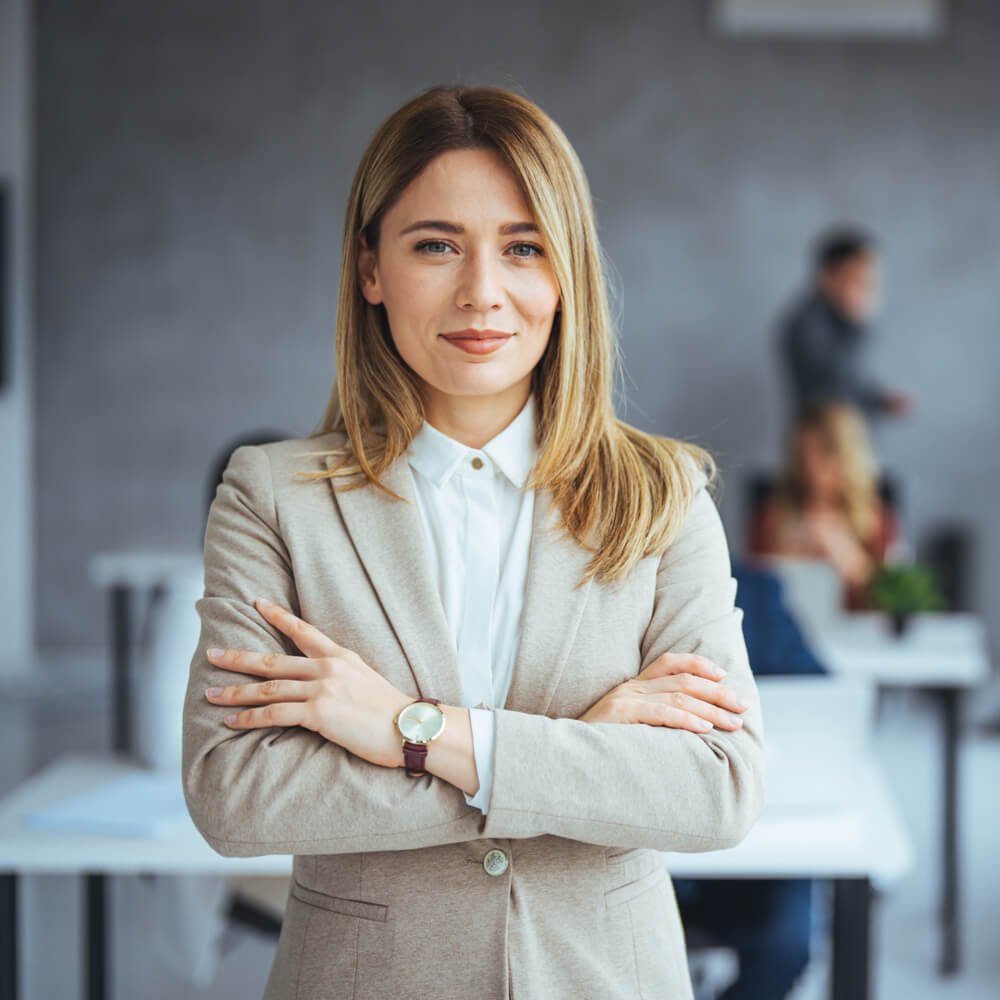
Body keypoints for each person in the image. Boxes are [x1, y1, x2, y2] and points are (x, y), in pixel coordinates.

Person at [182, 83, 765, 1000]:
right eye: (436, 246)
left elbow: (715, 788)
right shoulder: (273, 497)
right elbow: (236, 795)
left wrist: (409, 732)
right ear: (370, 268)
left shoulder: (661, 495)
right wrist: (574, 754)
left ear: (565, 271)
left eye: (523, 247)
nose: (482, 293)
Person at [675, 559, 827, 999]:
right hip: (642, 836)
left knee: (787, 945)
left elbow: (819, 697)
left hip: (756, 831)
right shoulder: (604, 590)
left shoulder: (755, 591)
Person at [748, 400, 903, 610]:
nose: (812, 467)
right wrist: (784, 565)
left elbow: (895, 602)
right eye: (803, 455)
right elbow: (749, 588)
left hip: (852, 636)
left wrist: (850, 561)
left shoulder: (876, 521)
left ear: (847, 456)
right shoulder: (772, 516)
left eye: (824, 454)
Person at [777, 226, 915, 423]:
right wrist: (858, 326)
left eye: (869, 282)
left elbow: (855, 384)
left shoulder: (838, 323)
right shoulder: (807, 325)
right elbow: (836, 387)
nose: (866, 290)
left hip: (846, 435)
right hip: (824, 438)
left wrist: (882, 401)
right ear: (828, 275)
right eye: (858, 280)